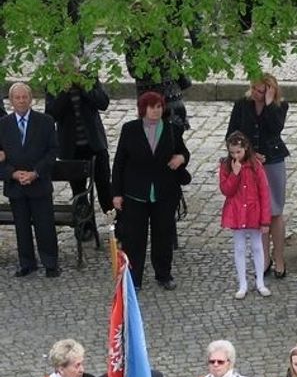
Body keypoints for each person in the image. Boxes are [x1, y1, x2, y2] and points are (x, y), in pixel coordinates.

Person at [111, 91, 191, 291]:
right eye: (152, 107)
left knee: (163, 236)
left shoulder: (172, 129)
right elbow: (119, 162)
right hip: (136, 192)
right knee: (134, 238)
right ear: (143, 109)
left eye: (159, 107)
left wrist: (181, 158)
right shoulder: (130, 129)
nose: (156, 111)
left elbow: (183, 152)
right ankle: (134, 277)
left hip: (164, 192)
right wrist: (116, 193)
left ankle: (163, 274)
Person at [226, 75, 291, 278]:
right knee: (259, 212)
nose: (255, 93)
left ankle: (279, 257)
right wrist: (250, 154)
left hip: (273, 161)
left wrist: (270, 104)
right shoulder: (242, 105)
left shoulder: (280, 106)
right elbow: (232, 134)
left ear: (270, 91)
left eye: (261, 91)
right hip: (251, 164)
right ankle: (263, 258)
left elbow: (275, 128)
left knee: (275, 211)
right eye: (253, 89)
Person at [0, 82, 60, 278]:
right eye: (17, 98)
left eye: (24, 97)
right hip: (15, 185)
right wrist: (13, 174)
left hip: (39, 182)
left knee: (45, 225)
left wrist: (35, 172)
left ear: (31, 98)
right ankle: (26, 263)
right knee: (22, 227)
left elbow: (52, 152)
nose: (21, 101)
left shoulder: (45, 121)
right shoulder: (3, 124)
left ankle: (50, 263)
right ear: (11, 101)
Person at [45, 66, 113, 216]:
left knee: (105, 187)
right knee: (79, 191)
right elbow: (51, 115)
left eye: (74, 70)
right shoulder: (53, 83)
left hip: (95, 145)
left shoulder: (89, 77)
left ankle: (115, 223)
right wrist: (64, 92)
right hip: (71, 148)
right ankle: (85, 225)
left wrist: (83, 87)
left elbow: (103, 103)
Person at [219, 131, 272, 299]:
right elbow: (226, 190)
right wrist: (234, 174)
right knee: (239, 247)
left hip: (253, 211)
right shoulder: (226, 166)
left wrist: (265, 219)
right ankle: (242, 283)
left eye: (238, 152)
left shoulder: (256, 166)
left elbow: (264, 193)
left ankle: (260, 282)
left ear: (245, 148)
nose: (235, 155)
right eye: (232, 152)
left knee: (257, 246)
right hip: (236, 212)